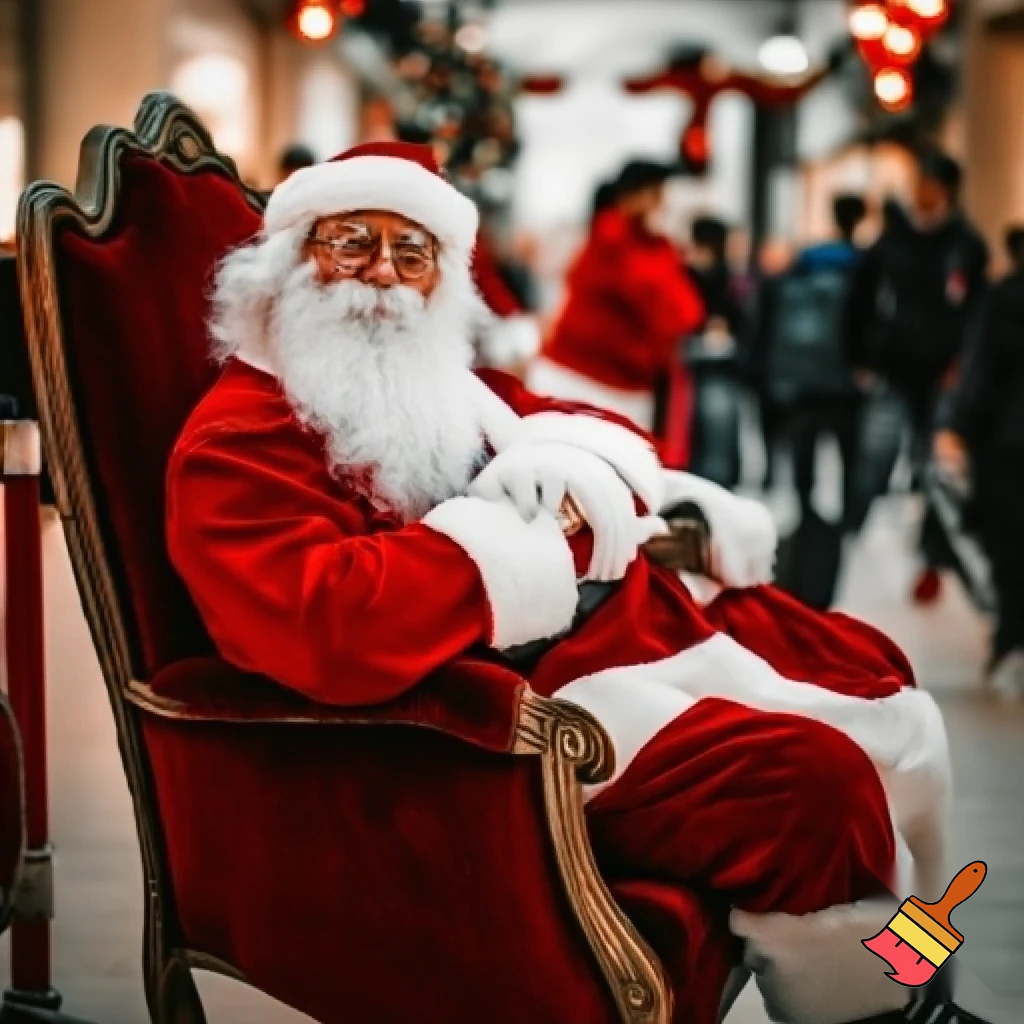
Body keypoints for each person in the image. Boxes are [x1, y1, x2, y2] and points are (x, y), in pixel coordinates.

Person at [167, 141, 966, 1024]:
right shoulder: (241, 441)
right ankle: (874, 1009)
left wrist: (575, 477)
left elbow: (570, 421)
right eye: (351, 243)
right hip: (522, 722)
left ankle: (917, 967)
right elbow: (329, 622)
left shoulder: (436, 381)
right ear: (287, 265)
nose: (384, 276)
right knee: (817, 783)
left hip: (614, 637)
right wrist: (549, 536)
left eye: (412, 250)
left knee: (872, 670)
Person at [844, 151, 989, 601]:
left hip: (943, 375)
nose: (920, 192)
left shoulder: (966, 245)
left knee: (936, 471)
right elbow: (858, 302)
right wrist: (860, 359)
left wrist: (965, 367)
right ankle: (850, 537)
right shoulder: (890, 241)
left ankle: (933, 559)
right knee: (875, 455)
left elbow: (978, 314)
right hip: (891, 369)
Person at [530, 159, 705, 431]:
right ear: (630, 198)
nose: (665, 206)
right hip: (578, 383)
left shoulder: (655, 249)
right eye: (657, 195)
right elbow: (669, 309)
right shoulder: (613, 240)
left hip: (626, 390)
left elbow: (687, 312)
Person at [935, 226, 1024, 698]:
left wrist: (957, 427)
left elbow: (980, 372)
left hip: (1006, 445)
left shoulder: (1001, 300)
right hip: (1005, 441)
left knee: (1007, 542)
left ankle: (1010, 633)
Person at [767, 194, 867, 522]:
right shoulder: (863, 265)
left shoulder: (805, 261)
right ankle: (848, 519)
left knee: (803, 453)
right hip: (845, 379)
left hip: (804, 381)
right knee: (850, 455)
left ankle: (806, 512)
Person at [685, 215, 745, 489]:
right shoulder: (726, 279)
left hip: (705, 366)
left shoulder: (696, 277)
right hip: (715, 367)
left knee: (705, 443)